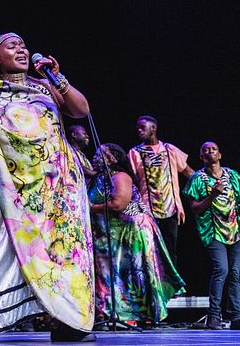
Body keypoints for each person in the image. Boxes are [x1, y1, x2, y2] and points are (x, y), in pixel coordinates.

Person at [0, 32, 95, 342]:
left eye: (23, 45)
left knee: (64, 252)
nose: (22, 49)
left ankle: (66, 322)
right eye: (11, 45)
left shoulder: (45, 87)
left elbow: (81, 110)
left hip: (58, 186)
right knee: (5, 242)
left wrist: (58, 78)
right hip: (16, 187)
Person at [88, 143, 185, 327]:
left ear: (113, 159)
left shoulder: (120, 176)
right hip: (115, 234)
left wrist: (90, 208)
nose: (95, 157)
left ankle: (135, 315)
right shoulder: (100, 178)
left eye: (101, 154)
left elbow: (119, 204)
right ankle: (112, 312)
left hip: (132, 231)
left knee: (134, 272)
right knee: (113, 274)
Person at [183, 142, 240, 330]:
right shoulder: (197, 179)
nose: (210, 151)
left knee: (235, 273)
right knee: (221, 269)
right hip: (214, 231)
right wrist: (213, 195)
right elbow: (195, 209)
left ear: (220, 154)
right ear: (201, 157)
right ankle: (214, 316)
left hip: (235, 230)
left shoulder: (232, 176)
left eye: (213, 149)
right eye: (205, 150)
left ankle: (236, 316)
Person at [128, 116, 194, 264]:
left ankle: (171, 286)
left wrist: (206, 186)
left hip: (171, 207)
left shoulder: (169, 149)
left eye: (142, 127)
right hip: (147, 209)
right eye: (137, 128)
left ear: (153, 128)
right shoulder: (135, 153)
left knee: (170, 250)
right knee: (151, 251)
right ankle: (155, 285)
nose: (139, 130)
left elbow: (189, 172)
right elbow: (131, 180)